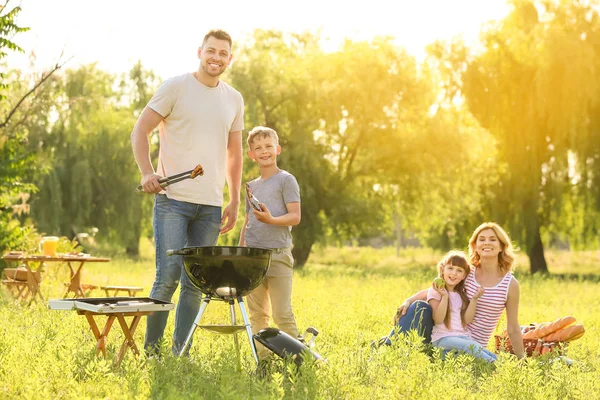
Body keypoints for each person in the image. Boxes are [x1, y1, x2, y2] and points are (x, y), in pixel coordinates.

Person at [130, 29, 244, 355]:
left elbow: (234, 154)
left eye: (223, 53)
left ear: (230, 58)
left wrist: (234, 199)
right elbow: (140, 130)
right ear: (200, 51)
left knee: (195, 283)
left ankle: (181, 353)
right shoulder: (176, 87)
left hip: (210, 206)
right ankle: (153, 353)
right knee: (167, 277)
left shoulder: (234, 99)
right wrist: (147, 172)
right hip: (172, 202)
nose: (216, 58)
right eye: (211, 51)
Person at [377, 222, 524, 358]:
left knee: (455, 358)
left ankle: (412, 349)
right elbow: (433, 291)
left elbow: (512, 328)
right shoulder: (466, 272)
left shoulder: (510, 284)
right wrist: (407, 301)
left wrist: (521, 359)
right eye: (482, 239)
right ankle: (387, 348)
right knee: (418, 307)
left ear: (501, 246)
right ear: (475, 246)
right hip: (444, 336)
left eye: (492, 239)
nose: (486, 242)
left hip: (470, 346)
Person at [238, 126, 301, 359]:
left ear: (277, 149)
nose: (264, 151)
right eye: (258, 148)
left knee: (282, 314)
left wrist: (271, 219)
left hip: (278, 255)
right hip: (253, 259)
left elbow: (295, 216)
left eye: (268, 146)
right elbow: (247, 222)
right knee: (257, 315)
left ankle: (296, 361)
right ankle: (263, 362)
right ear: (251, 154)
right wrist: (240, 254)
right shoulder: (251, 186)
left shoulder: (286, 180)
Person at [427, 250, 496, 362]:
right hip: (442, 339)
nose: (454, 273)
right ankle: (497, 365)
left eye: (459, 270)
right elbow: (438, 319)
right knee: (471, 346)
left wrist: (474, 299)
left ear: (464, 276)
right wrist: (444, 297)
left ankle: (504, 363)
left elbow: (467, 320)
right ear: (443, 269)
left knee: (477, 347)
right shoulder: (436, 292)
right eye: (450, 268)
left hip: (462, 337)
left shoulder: (461, 294)